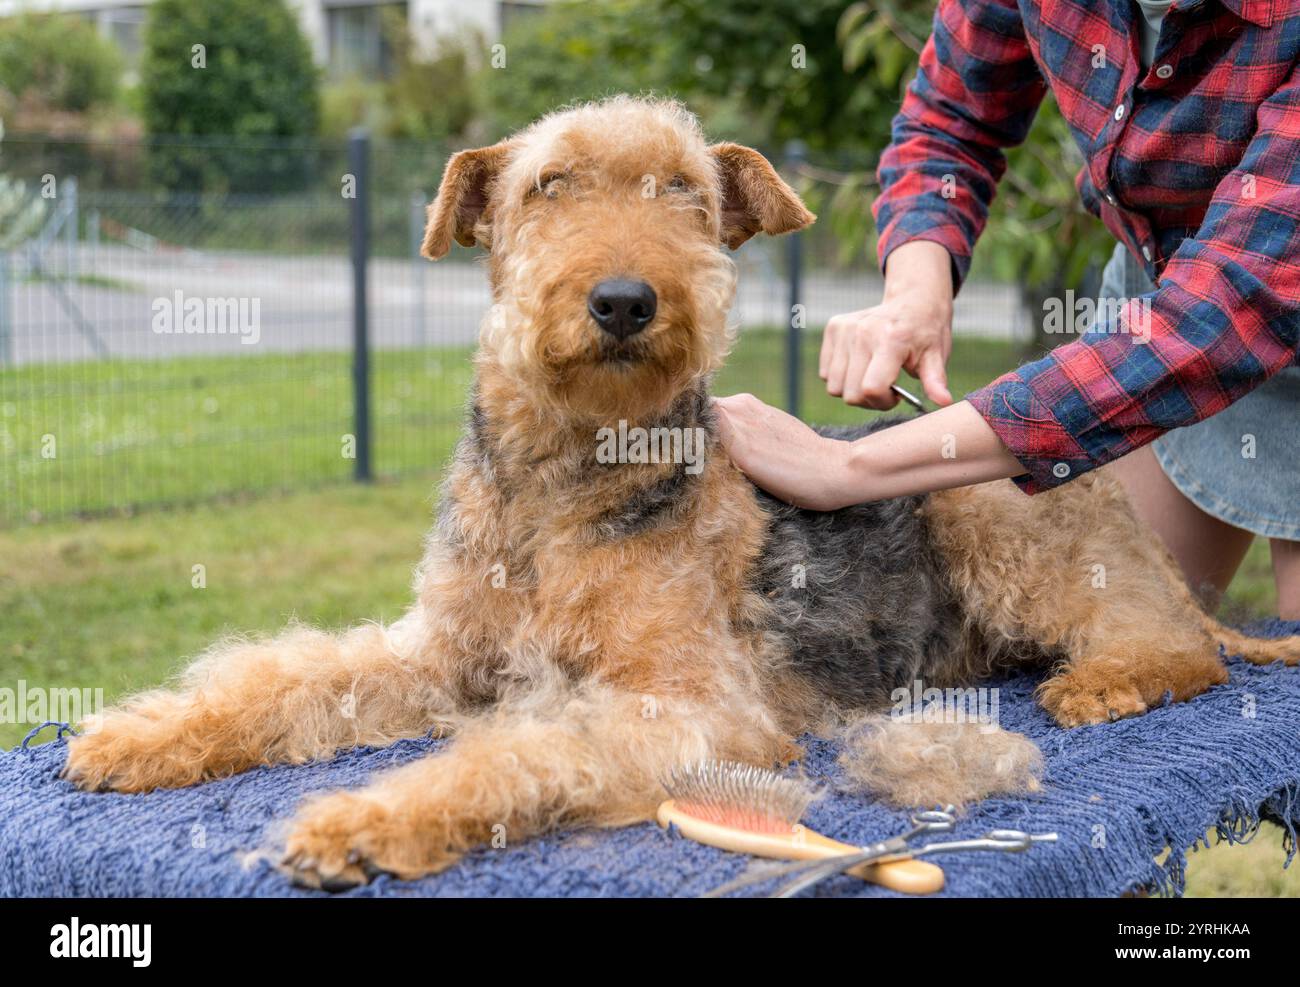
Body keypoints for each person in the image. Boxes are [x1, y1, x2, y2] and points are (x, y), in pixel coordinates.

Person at [716, 0, 1300, 619]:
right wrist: (918, 292)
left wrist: (846, 466)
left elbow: (1215, 317)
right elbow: (951, 120)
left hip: (1226, 310)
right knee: (1112, 624)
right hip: (1154, 296)